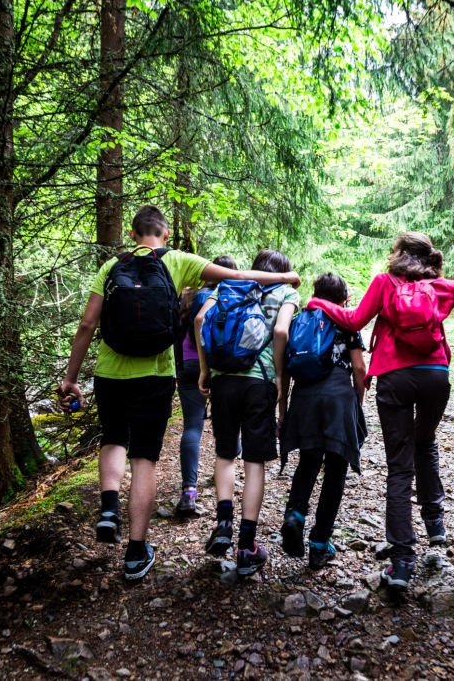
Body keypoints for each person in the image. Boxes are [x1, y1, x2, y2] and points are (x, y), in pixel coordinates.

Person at [57, 206, 299, 581]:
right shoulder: (178, 260)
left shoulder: (110, 267)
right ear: (165, 234)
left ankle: (108, 509)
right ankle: (136, 551)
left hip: (109, 370)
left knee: (114, 439)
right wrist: (287, 276)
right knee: (145, 459)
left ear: (134, 233)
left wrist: (71, 378)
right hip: (155, 373)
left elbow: (88, 323)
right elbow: (236, 275)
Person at [308, 232, 454, 593]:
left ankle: (402, 561)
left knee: (399, 466)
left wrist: (319, 304)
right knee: (425, 442)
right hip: (434, 375)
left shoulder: (385, 283)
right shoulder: (441, 286)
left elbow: (353, 320)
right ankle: (435, 524)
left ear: (399, 254)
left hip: (394, 377)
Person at [196, 249, 299, 577]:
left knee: (225, 455)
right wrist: (279, 375)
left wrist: (204, 370)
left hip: (224, 379)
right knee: (254, 462)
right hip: (260, 382)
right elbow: (281, 331)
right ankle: (247, 545)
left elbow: (200, 320)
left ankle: (223, 523)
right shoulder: (285, 290)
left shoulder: (228, 285)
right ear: (283, 270)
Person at [279, 273, 368, 570]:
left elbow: (287, 368)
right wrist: (358, 401)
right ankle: (319, 543)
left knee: (307, 463)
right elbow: (359, 366)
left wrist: (283, 407)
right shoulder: (346, 321)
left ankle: (294, 516)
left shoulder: (299, 319)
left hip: (305, 398)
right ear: (343, 298)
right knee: (335, 470)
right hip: (338, 399)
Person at [174, 255, 238, 518]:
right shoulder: (227, 297)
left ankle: (189, 491)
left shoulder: (189, 296)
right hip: (218, 366)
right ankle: (223, 469)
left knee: (192, 425)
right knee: (230, 420)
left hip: (186, 364)